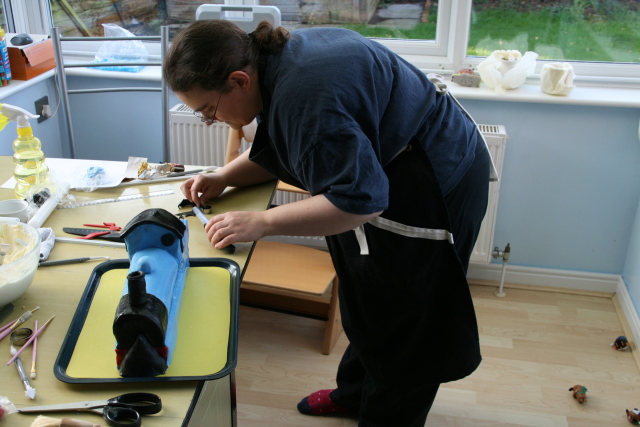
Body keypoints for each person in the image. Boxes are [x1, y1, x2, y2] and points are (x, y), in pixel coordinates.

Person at [164, 19, 492, 427]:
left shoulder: (305, 95)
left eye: (208, 111)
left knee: (407, 325)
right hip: (387, 165)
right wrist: (224, 176)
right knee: (368, 299)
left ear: (238, 80)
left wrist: (263, 222)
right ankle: (353, 394)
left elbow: (361, 201)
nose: (211, 121)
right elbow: (285, 143)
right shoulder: (271, 62)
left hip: (435, 180)